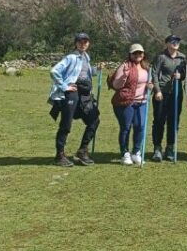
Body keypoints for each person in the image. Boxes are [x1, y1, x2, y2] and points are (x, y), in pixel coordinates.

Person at [48, 32, 101, 167]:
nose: (83, 44)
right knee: (66, 123)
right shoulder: (71, 57)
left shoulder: (86, 58)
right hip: (72, 93)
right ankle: (60, 155)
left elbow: (83, 73)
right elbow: (54, 71)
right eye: (80, 42)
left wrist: (95, 69)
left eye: (85, 42)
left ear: (88, 43)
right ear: (76, 43)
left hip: (85, 94)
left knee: (94, 119)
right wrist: (64, 86)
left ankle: (82, 151)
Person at [109, 44, 153, 165]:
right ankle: (125, 153)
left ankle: (136, 152)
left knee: (140, 126)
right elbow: (115, 85)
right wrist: (124, 75)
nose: (138, 55)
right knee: (126, 128)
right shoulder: (125, 66)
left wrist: (151, 86)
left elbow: (149, 82)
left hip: (142, 102)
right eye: (135, 53)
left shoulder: (146, 67)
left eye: (140, 53)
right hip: (125, 102)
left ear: (143, 54)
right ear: (130, 54)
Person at [150, 35, 187, 162]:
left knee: (174, 121)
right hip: (162, 93)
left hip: (176, 94)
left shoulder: (182, 57)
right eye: (173, 41)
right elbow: (154, 74)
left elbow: (185, 74)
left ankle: (170, 148)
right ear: (167, 43)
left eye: (177, 41)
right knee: (159, 121)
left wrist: (180, 75)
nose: (175, 43)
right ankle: (157, 148)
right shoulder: (161, 57)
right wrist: (157, 90)